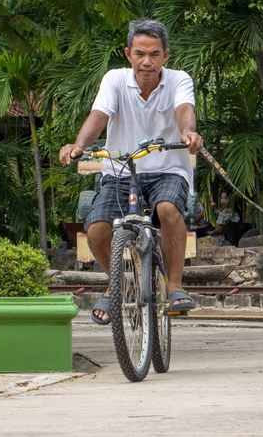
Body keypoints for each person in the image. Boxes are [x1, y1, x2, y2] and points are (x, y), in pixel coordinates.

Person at [59, 19, 203, 325]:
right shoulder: (114, 80)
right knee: (97, 227)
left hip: (168, 169)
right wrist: (79, 144)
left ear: (166, 55)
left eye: (154, 54)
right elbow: (99, 115)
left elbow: (184, 111)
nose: (146, 61)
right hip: (120, 171)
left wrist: (189, 133)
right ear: (128, 54)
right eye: (140, 53)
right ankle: (118, 284)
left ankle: (175, 287)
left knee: (167, 209)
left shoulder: (179, 80)